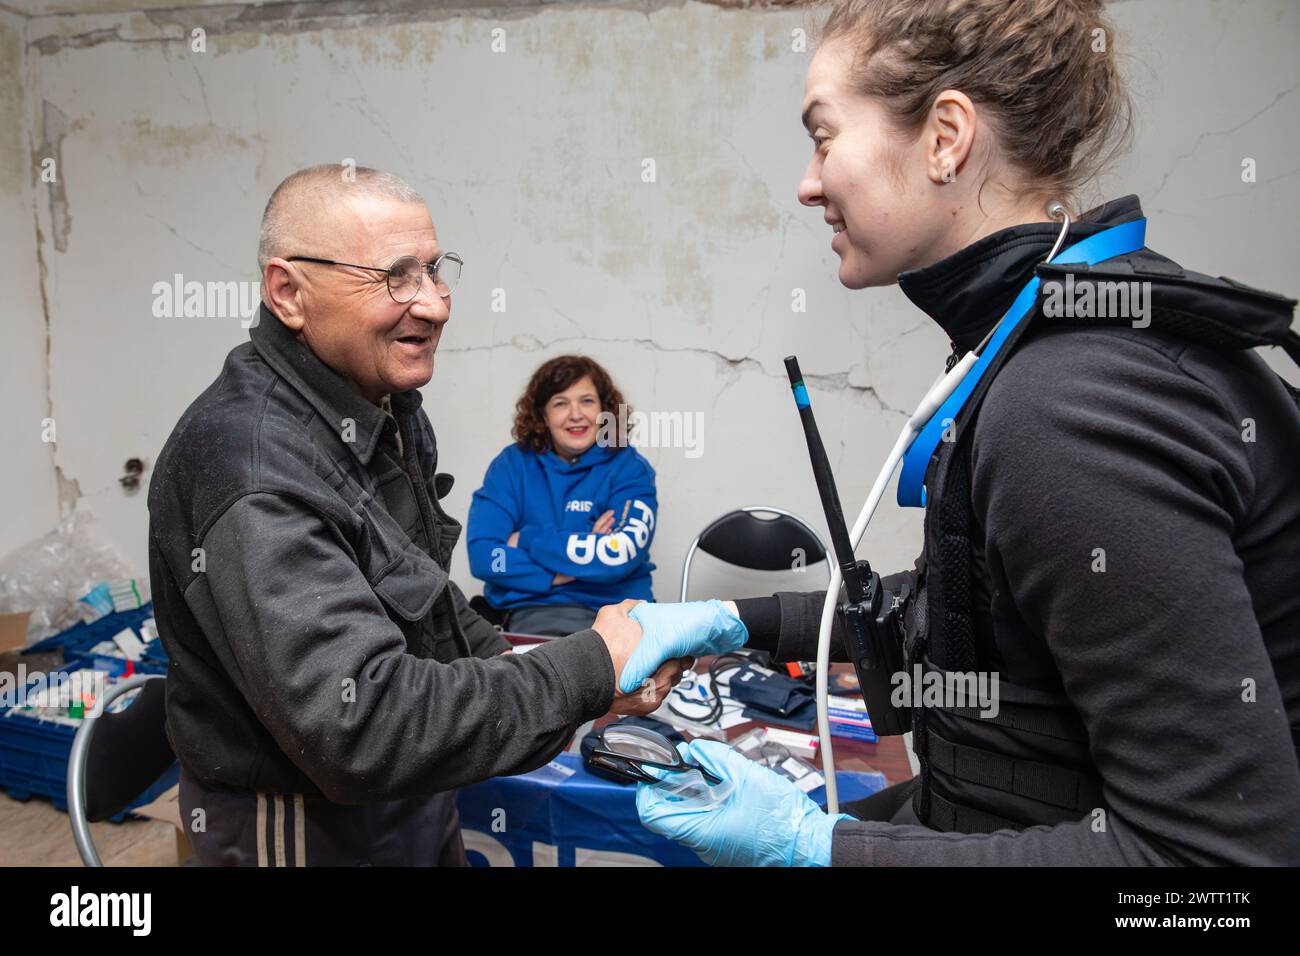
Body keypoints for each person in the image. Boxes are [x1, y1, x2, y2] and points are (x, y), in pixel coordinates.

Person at [620, 0, 1300, 865]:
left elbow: (1211, 874)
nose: (807, 182)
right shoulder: (1050, 346)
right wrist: (728, 622)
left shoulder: (1074, 401)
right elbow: (988, 611)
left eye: (823, 137)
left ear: (946, 137)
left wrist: (821, 850)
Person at [147, 164, 686, 866]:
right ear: (288, 292)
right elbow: (361, 726)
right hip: (306, 827)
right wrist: (587, 668)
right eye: (396, 277)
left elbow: (424, 601)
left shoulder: (377, 406)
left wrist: (590, 684)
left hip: (413, 796)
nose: (433, 304)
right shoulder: (251, 464)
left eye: (435, 271)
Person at [467, 355, 657, 636]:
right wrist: (569, 568)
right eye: (560, 403)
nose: (576, 414)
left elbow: (618, 554)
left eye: (587, 401)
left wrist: (527, 539)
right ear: (543, 415)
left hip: (616, 614)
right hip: (531, 617)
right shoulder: (510, 465)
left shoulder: (630, 469)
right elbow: (486, 556)